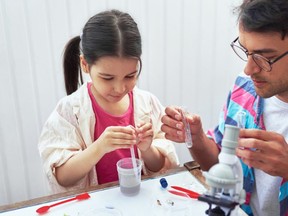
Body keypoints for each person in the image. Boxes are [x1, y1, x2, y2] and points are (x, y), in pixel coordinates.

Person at [161, 0, 288, 215]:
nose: (248, 69)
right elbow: (219, 165)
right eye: (246, 51)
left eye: (264, 58)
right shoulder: (245, 89)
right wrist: (197, 138)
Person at [38, 9, 179, 193]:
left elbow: (161, 165)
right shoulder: (69, 111)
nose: (120, 88)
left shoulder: (147, 103)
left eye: (130, 75)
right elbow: (62, 177)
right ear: (85, 65)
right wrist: (99, 147)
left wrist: (147, 149)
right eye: (107, 78)